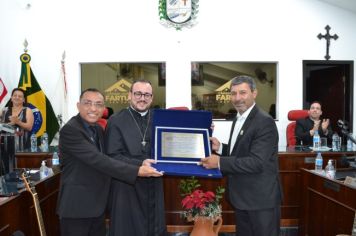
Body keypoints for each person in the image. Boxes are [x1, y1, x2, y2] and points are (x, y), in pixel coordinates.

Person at [57, 88, 163, 236]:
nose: (93, 108)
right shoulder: (71, 130)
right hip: (77, 208)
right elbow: (100, 160)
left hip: (97, 206)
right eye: (88, 103)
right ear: (78, 105)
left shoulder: (98, 130)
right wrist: (138, 169)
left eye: (98, 104)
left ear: (103, 108)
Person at [201, 75, 282, 236]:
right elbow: (241, 151)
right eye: (233, 93)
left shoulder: (264, 121)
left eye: (243, 93)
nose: (237, 98)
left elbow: (256, 162)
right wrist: (221, 148)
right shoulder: (239, 117)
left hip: (260, 201)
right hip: (243, 198)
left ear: (254, 93)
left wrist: (219, 162)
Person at [105, 79, 167, 236]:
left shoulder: (159, 118)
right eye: (138, 93)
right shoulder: (116, 120)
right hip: (127, 184)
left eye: (147, 95)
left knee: (154, 227)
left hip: (153, 181)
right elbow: (112, 156)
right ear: (129, 95)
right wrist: (140, 164)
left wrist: (202, 130)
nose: (142, 98)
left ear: (152, 98)